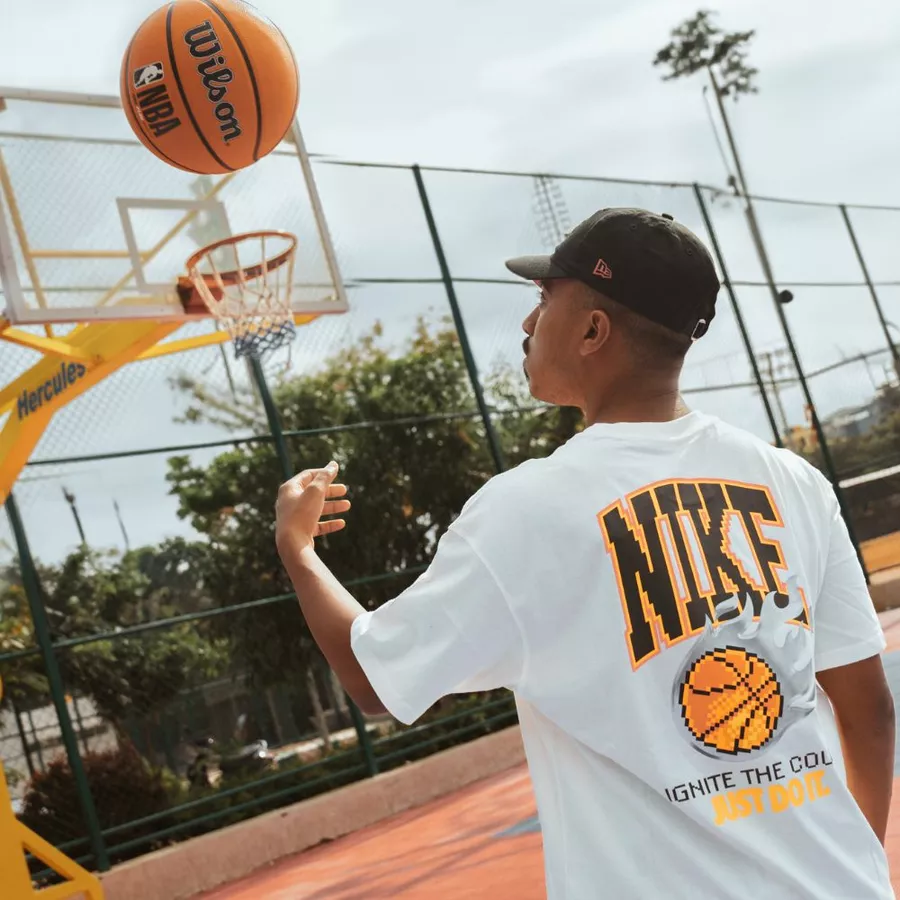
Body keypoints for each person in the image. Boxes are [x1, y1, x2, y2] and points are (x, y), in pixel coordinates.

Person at [275, 208, 896, 899]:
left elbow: (372, 678)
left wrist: (298, 549)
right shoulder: (793, 482)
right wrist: (856, 866)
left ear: (593, 330)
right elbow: (869, 713)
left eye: (545, 299)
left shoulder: (524, 510)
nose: (527, 322)